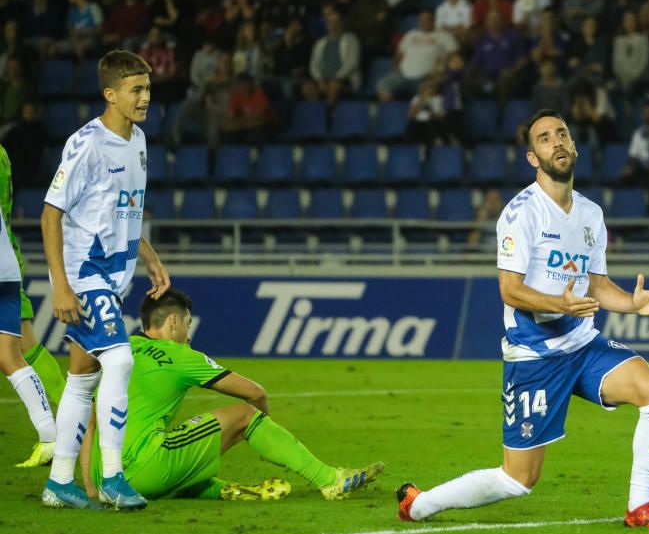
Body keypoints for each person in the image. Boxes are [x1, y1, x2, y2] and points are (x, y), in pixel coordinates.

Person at [396, 109, 649, 530]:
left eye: (562, 134)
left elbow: (598, 286)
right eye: (545, 138)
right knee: (518, 479)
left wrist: (633, 304)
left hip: (582, 345)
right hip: (534, 354)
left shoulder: (590, 214)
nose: (557, 142)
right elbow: (509, 290)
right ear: (533, 157)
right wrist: (561, 303)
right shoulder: (520, 214)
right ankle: (419, 504)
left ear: (574, 145)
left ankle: (640, 506)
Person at [80, 289, 383, 501]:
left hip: (110, 477)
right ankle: (330, 480)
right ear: (173, 321)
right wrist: (264, 430)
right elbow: (254, 393)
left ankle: (222, 490)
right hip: (148, 468)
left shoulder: (118, 351)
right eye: (188, 323)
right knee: (246, 415)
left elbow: (90, 421)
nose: (189, 333)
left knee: (182, 445)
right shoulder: (181, 355)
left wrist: (92, 487)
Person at [40, 50, 171, 510]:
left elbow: (124, 209)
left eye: (148, 89)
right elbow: (50, 214)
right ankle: (113, 476)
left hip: (114, 275)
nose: (144, 98)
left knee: (82, 376)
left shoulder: (138, 141)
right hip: (84, 274)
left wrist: (150, 256)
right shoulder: (86, 144)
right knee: (120, 362)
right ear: (109, 94)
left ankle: (58, 482)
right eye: (135, 90)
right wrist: (60, 285)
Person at [0, 143, 60, 469]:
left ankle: (71, 410)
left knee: (22, 346)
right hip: (6, 254)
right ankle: (56, 429)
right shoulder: (3, 153)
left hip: (2, 255)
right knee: (15, 350)